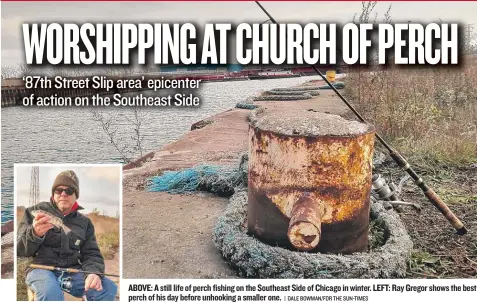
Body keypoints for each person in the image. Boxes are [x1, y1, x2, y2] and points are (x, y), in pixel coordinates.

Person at [17, 170, 118, 301]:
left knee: (108, 289)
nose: (63, 194)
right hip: (40, 269)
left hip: (73, 271)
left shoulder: (85, 222)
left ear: (76, 195)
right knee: (51, 293)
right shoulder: (33, 212)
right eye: (59, 190)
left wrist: (93, 273)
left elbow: (92, 253)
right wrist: (34, 234)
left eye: (69, 191)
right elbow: (19, 249)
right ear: (53, 194)